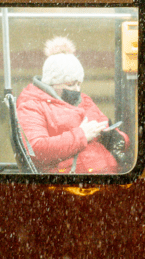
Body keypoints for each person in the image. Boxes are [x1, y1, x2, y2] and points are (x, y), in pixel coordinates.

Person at [16, 36, 131, 174]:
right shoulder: (32, 106)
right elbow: (36, 151)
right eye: (70, 84)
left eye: (79, 84)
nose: (77, 90)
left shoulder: (84, 101)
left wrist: (117, 139)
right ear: (52, 83)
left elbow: (115, 134)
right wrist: (82, 135)